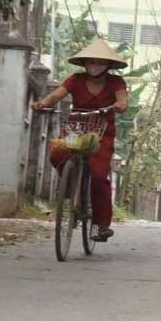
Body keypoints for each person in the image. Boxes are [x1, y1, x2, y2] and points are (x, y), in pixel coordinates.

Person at [31, 39, 131, 241]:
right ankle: (71, 187)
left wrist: (120, 105)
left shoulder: (115, 82)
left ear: (108, 66)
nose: (95, 66)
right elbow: (55, 96)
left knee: (99, 175)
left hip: (102, 132)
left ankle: (100, 224)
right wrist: (42, 103)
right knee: (57, 155)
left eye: (100, 63)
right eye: (91, 62)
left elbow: (122, 100)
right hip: (76, 127)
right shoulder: (75, 79)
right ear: (85, 63)